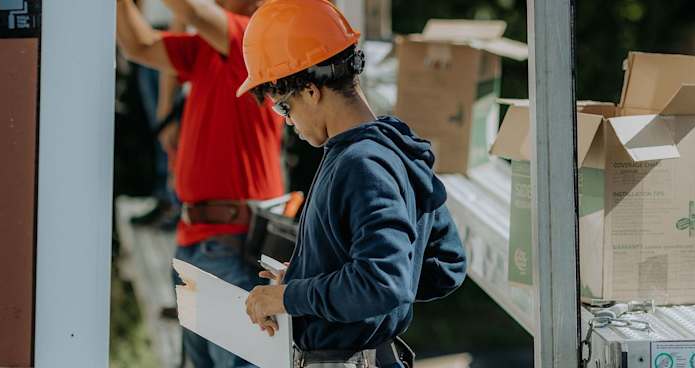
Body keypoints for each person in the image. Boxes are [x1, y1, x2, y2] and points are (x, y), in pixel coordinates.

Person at [237, 1, 468, 367]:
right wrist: (320, 281)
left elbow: (382, 282)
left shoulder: (361, 164)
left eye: (284, 107)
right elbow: (444, 266)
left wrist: (289, 296)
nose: (287, 121)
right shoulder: (395, 146)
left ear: (311, 91)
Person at [116, 0, 286, 366]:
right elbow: (138, 45)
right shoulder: (212, 48)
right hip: (200, 241)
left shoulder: (252, 41)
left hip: (232, 244)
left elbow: (191, 11)